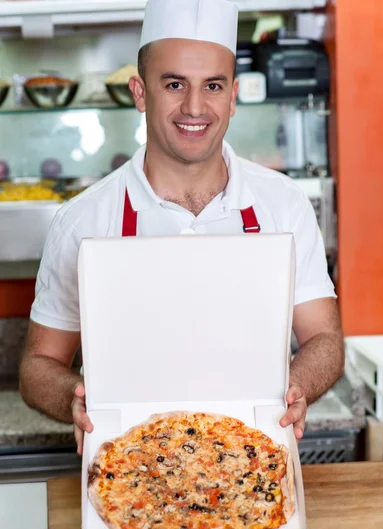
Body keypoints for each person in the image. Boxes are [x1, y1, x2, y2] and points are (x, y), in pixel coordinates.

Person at [19, 0, 344, 456]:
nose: (195, 106)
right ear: (139, 92)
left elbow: (325, 339)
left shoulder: (283, 205)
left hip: (254, 459)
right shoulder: (83, 220)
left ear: (232, 97)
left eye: (213, 85)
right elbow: (38, 365)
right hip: (126, 463)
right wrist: (75, 399)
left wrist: (295, 384)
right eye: (174, 84)